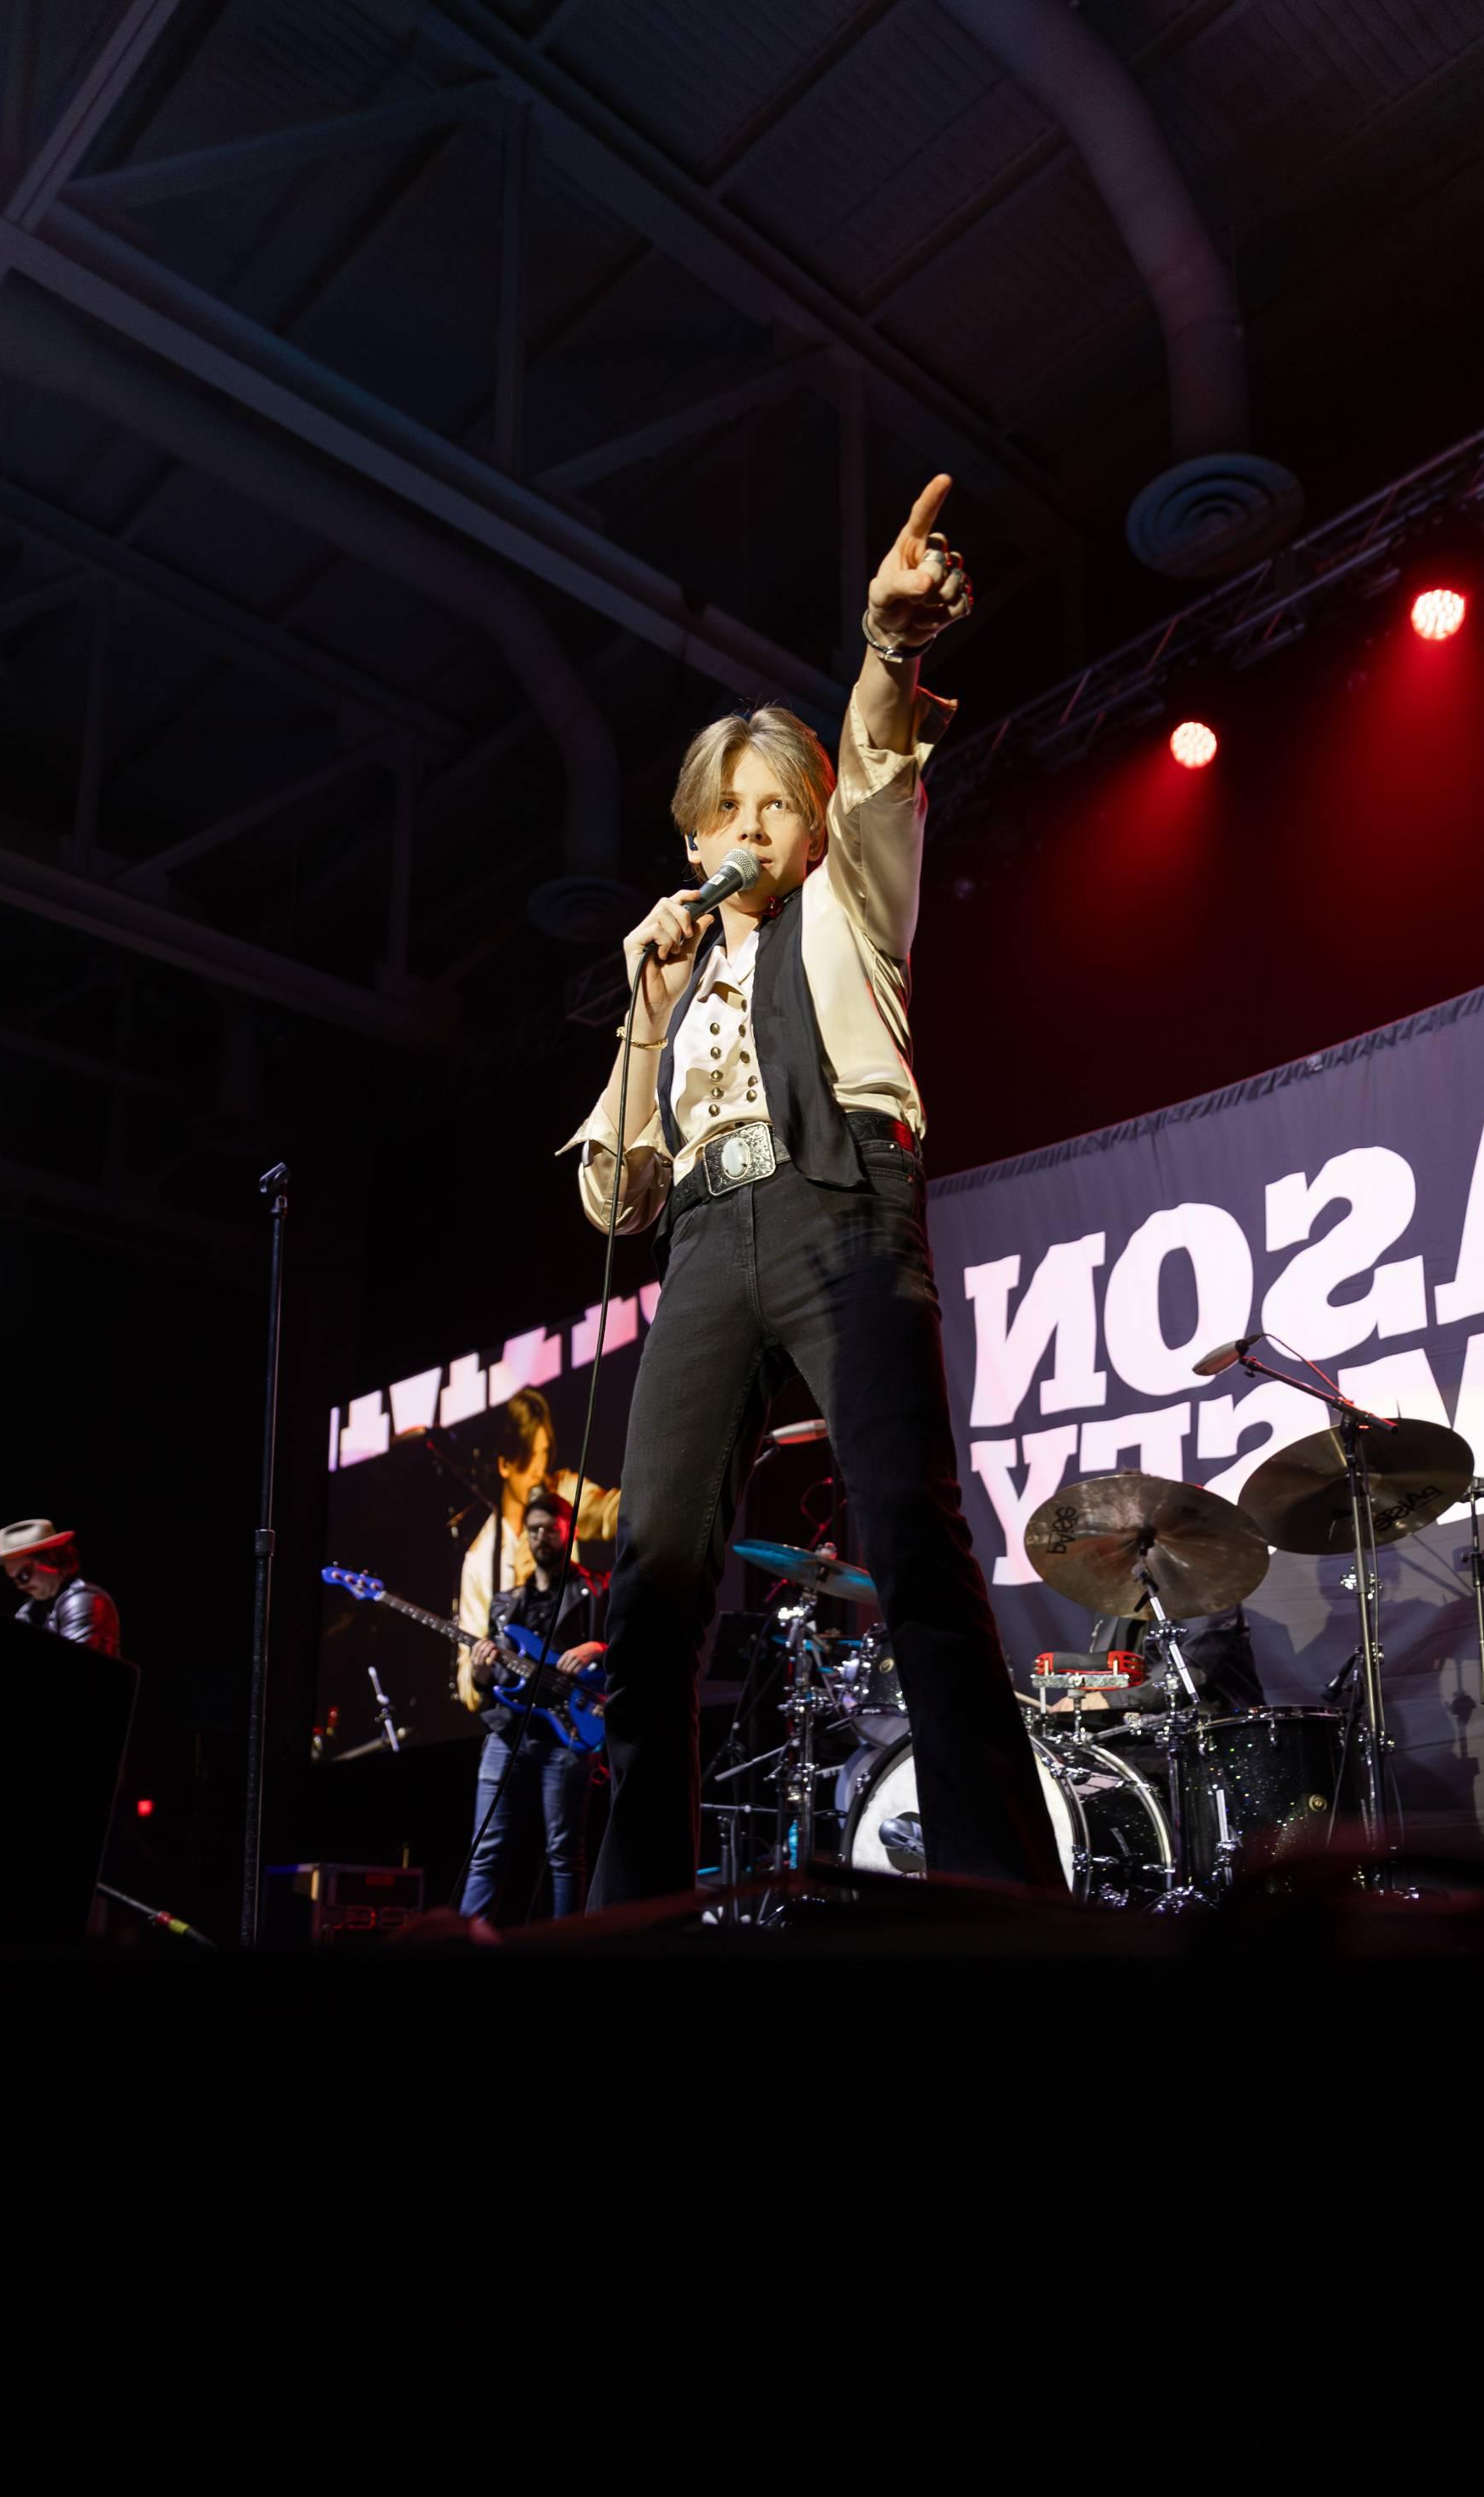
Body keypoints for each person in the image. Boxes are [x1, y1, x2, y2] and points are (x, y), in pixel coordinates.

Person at [563, 474, 1066, 1906]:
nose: (760, 831)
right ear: (694, 838)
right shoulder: (674, 977)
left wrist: (890, 647)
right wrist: (643, 1010)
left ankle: (1001, 1887)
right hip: (711, 1237)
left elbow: (880, 752)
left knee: (907, 1526)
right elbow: (617, 1199)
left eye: (782, 806)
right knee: (655, 1571)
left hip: (842, 1198)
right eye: (734, 813)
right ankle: (634, 1906)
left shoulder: (853, 894)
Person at [461, 1486, 607, 1923]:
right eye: (533, 1530)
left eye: (550, 1529)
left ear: (569, 1531)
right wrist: (481, 1670)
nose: (540, 1537)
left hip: (568, 1737)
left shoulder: (596, 1590)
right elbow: (491, 1682)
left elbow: (629, 1649)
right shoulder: (508, 1604)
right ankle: (467, 1941)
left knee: (564, 1855)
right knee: (485, 1850)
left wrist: (596, 1647)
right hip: (508, 1734)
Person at [453, 1385, 618, 1712]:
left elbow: (612, 1512)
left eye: (544, 1455)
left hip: (578, 1699)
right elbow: (467, 1684)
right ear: (505, 1465)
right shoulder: (480, 1561)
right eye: (530, 1459)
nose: (539, 1472)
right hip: (521, 1712)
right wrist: (479, 1670)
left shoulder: (562, 1496)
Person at [0, 1518, 121, 1657]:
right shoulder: (29, 1611)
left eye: (23, 1576)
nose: (20, 1586)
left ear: (50, 1560)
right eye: (13, 1580)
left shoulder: (84, 1601)